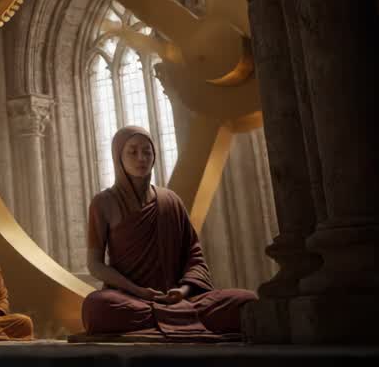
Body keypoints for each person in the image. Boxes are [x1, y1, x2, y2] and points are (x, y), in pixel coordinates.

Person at [82, 125, 256, 339]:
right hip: (131, 298)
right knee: (97, 307)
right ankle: (181, 320)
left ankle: (169, 318)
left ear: (155, 156)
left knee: (247, 300)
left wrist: (182, 291)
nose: (141, 158)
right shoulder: (103, 203)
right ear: (118, 156)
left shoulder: (170, 200)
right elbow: (95, 264)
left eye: (147, 151)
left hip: (179, 299)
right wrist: (138, 291)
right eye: (133, 151)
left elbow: (194, 256)